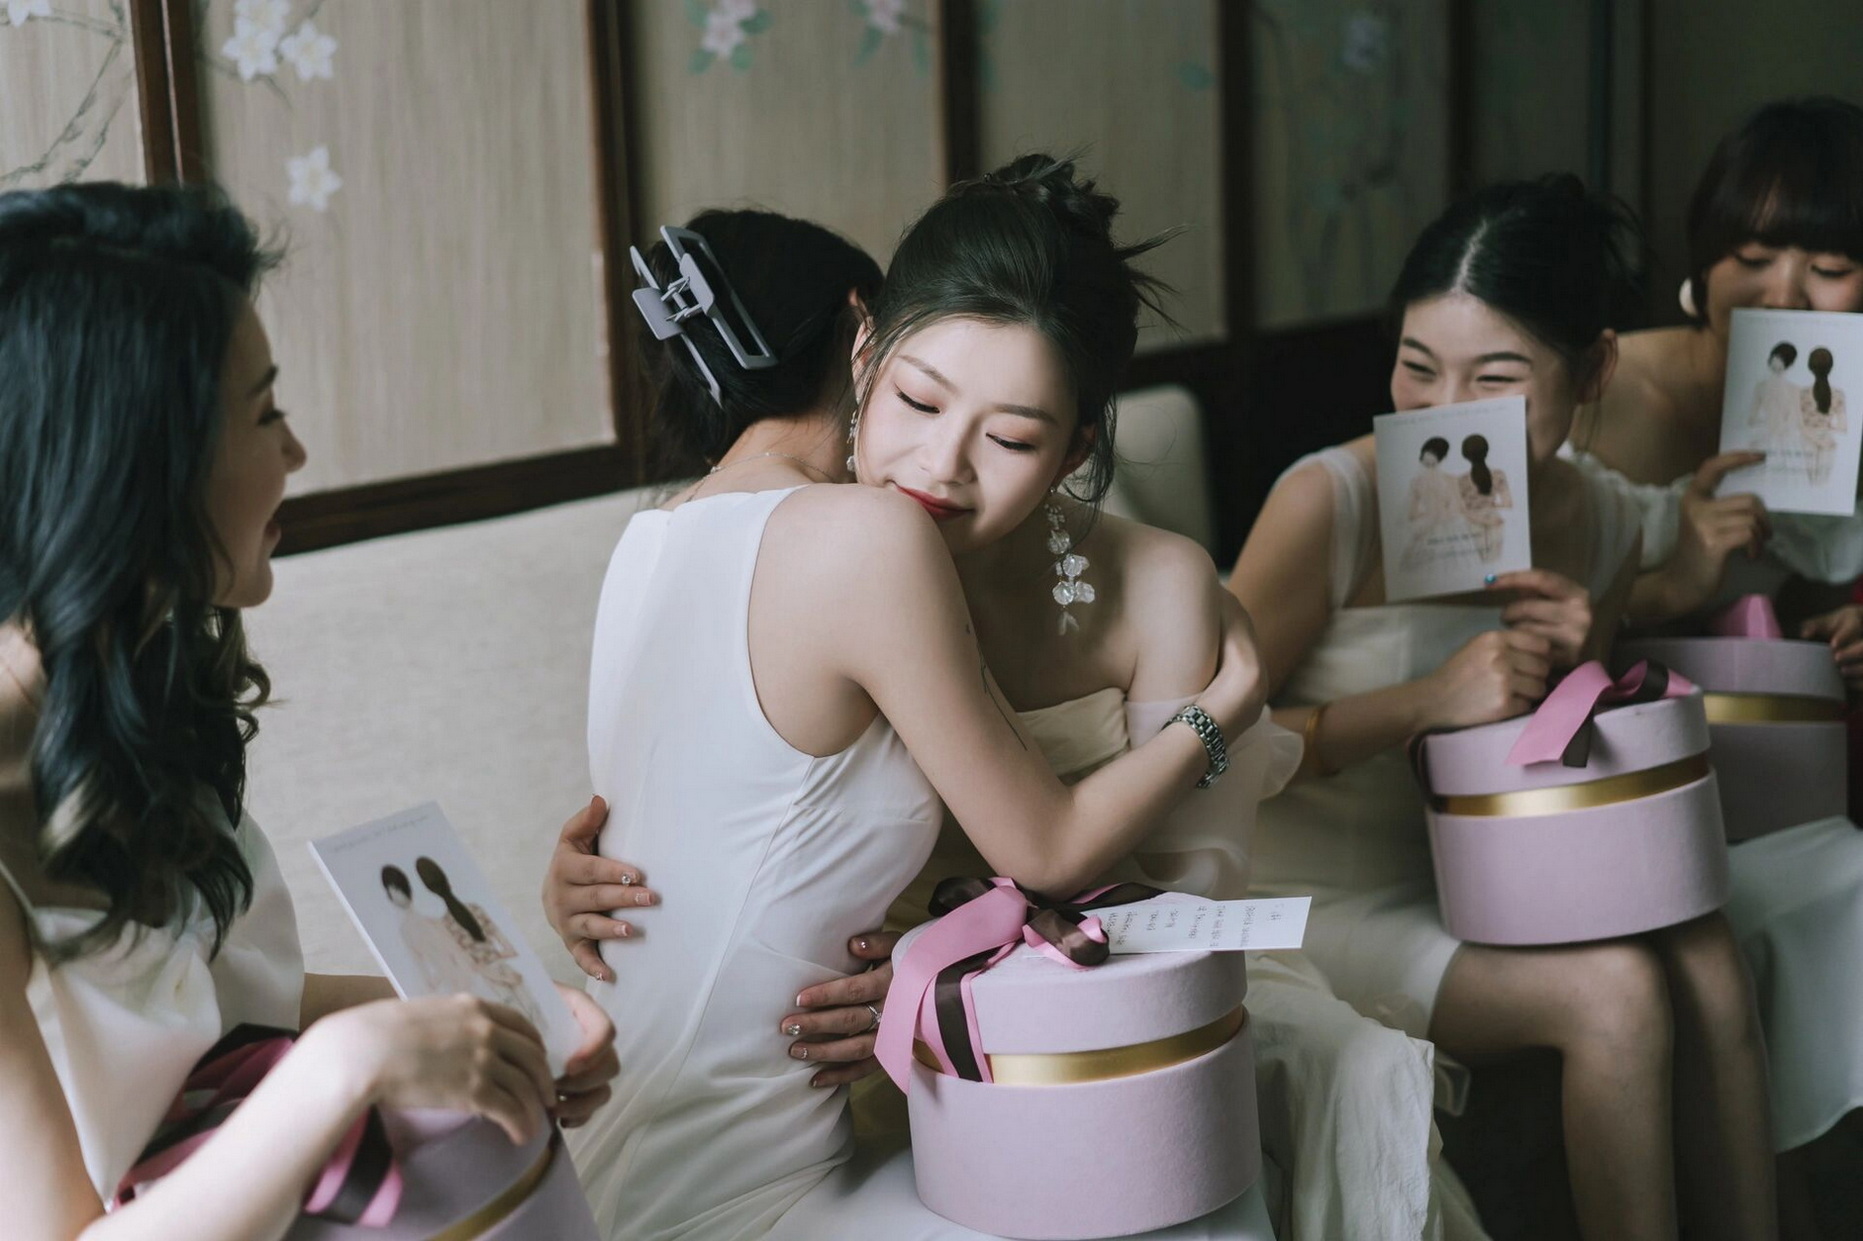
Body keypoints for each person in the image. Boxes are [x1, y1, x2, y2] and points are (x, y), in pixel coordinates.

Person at [549, 169, 1482, 1238]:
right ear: (864, 356)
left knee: (1270, 1108)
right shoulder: (819, 548)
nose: (939, 466)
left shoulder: (1158, 587)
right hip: (842, 1058)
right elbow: (730, 827)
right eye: (917, 402)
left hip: (1080, 1017)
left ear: (1076, 447)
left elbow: (1185, 910)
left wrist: (946, 985)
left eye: (1011, 438)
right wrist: (585, 875)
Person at [0, 181, 619, 1241]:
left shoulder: (135, 689)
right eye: (265, 413)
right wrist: (345, 1066)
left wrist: (490, 1016)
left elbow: (221, 1014)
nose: (295, 455)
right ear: (136, 473)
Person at [1230, 176, 1778, 1241]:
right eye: (1416, 367)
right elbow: (1191, 749)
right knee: (1614, 990)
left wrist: (1575, 678)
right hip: (1303, 903)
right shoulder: (1331, 501)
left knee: (1708, 950)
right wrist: (1419, 701)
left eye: (1495, 378)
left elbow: (1555, 792)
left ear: (1594, 371)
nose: (1445, 413)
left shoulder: (1603, 519)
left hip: (1484, 884)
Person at [1454, 434, 1512, 563]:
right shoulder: (1498, 475)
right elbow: (1508, 503)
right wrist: (1491, 506)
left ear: (1465, 455)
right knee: (1496, 561)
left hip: (1472, 522)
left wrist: (1480, 516)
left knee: (1479, 562)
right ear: (1486, 451)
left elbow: (1461, 509)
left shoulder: (1461, 480)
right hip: (1494, 520)